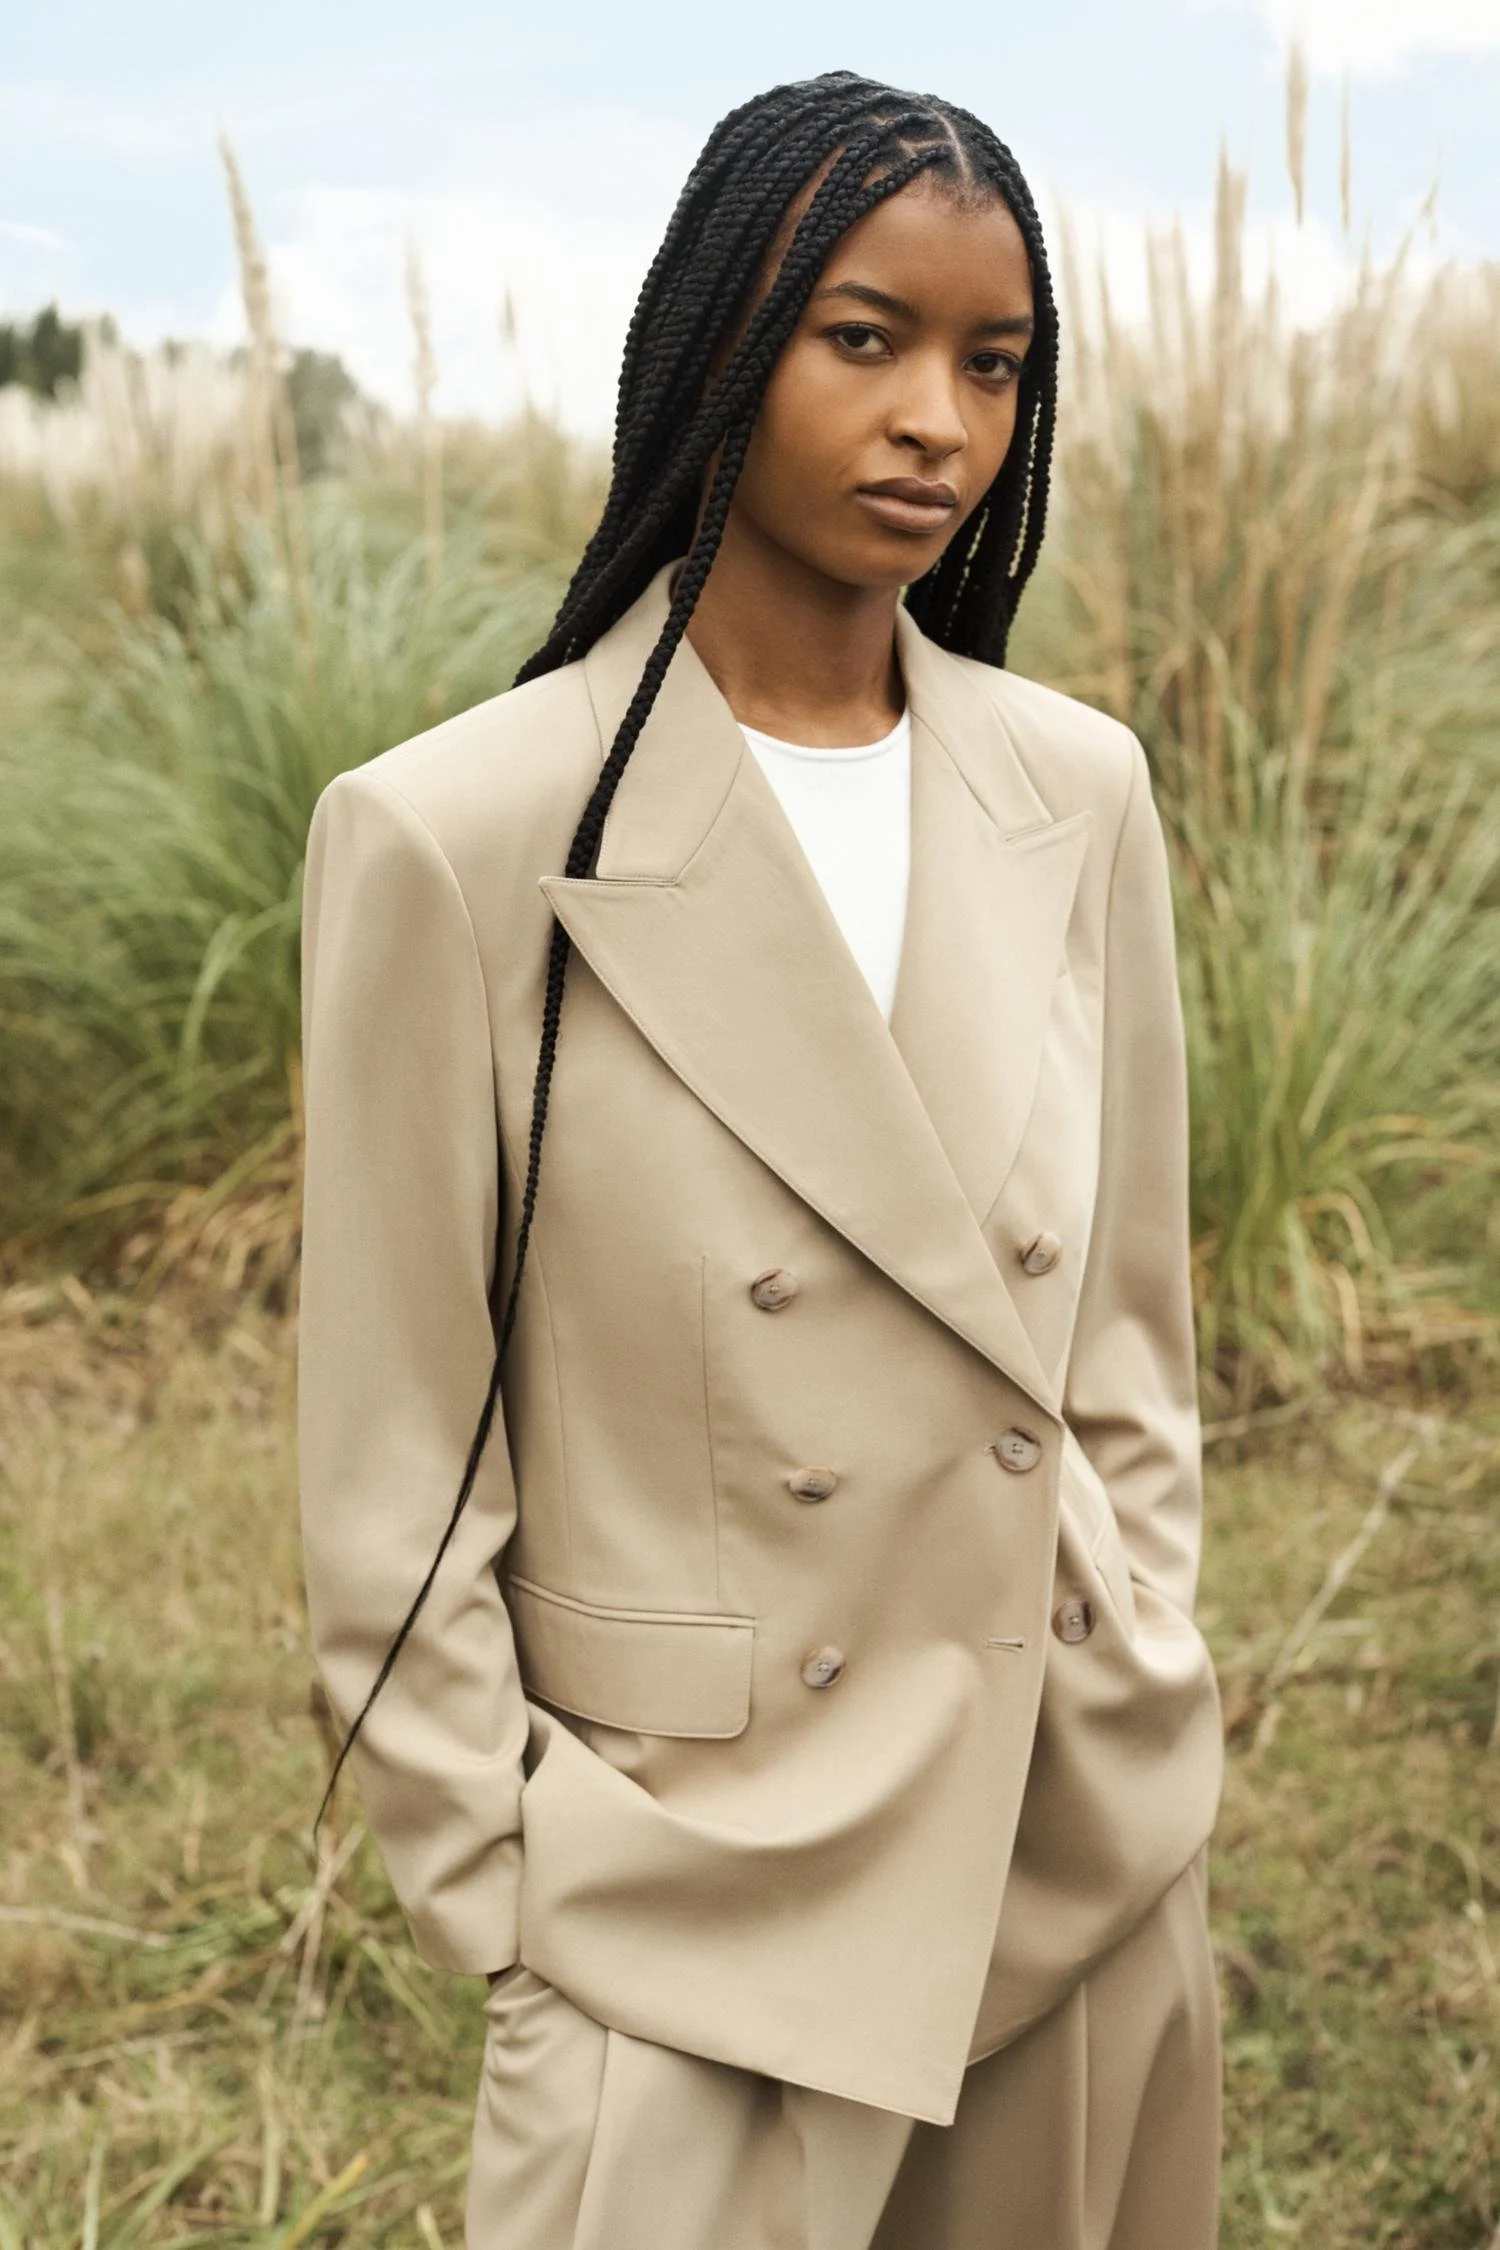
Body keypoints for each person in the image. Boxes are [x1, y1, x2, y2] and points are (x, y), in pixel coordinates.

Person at [296, 69, 1226, 2250]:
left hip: (1061, 1840)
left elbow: (1128, 1346)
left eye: (994, 365)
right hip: (682, 1899)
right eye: (865, 336)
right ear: (718, 336)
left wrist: (1144, 1650)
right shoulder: (459, 835)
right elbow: (395, 1473)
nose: (939, 421)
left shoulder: (1076, 789)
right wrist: (517, 1885)